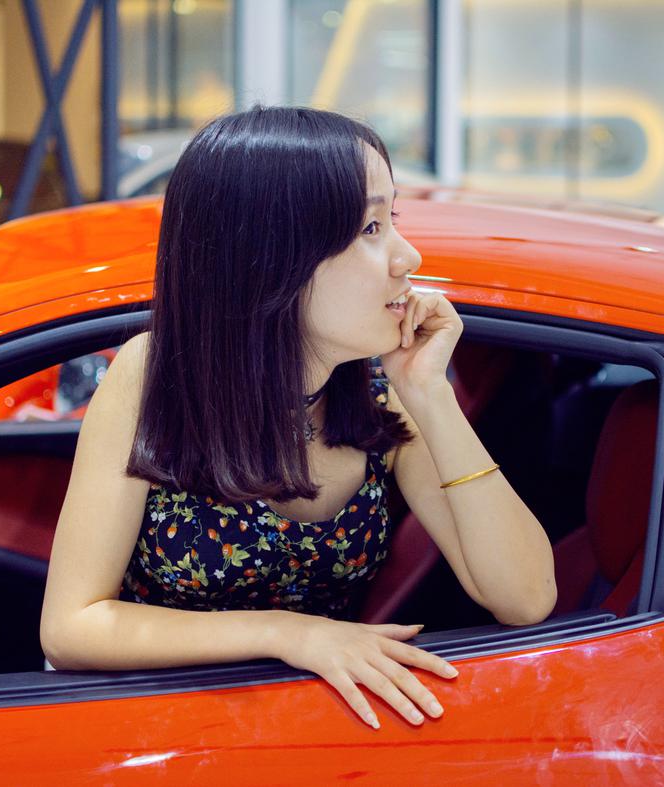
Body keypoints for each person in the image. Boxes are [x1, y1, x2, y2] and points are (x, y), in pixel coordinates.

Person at [39, 105, 557, 729]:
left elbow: (526, 598)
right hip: (154, 723)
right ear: (272, 257)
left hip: (311, 726)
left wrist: (430, 394)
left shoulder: (375, 390)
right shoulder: (154, 376)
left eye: (393, 220)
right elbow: (71, 628)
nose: (409, 256)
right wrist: (288, 633)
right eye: (371, 228)